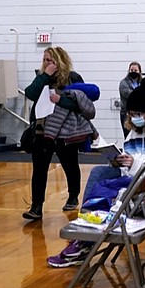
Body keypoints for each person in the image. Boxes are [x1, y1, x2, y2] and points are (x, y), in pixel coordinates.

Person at [47, 77, 145, 267]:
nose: (134, 118)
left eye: (138, 113)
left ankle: (84, 242)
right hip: (130, 177)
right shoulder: (134, 131)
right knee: (98, 173)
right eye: (131, 114)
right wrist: (118, 160)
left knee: (106, 191)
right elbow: (128, 158)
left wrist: (132, 163)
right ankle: (84, 229)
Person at [22, 46, 95, 220]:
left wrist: (60, 100)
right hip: (42, 131)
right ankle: (36, 206)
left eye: (51, 60)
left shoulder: (73, 78)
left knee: (70, 166)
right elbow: (30, 94)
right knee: (39, 169)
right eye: (45, 60)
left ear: (60, 61)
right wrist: (45, 75)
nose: (47, 63)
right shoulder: (41, 78)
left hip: (66, 133)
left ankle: (73, 195)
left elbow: (82, 106)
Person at [118, 62, 142, 136]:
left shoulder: (142, 82)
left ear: (140, 72)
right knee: (128, 136)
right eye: (131, 70)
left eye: (136, 70)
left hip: (140, 114)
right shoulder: (123, 83)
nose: (133, 72)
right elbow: (130, 96)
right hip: (127, 114)